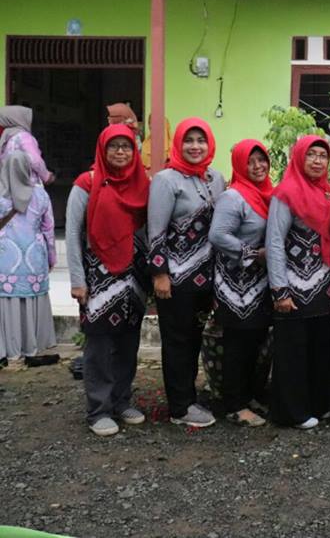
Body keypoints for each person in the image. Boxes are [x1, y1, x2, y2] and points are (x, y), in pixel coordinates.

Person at [66, 125, 150, 437]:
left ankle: (121, 401)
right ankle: (98, 409)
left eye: (126, 146)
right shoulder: (86, 183)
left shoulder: (142, 184)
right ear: (103, 149)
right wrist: (77, 280)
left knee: (128, 342)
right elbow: (72, 234)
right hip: (98, 276)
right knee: (99, 344)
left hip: (134, 278)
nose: (120, 152)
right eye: (114, 146)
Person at [148, 118, 224, 428]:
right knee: (177, 341)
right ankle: (179, 408)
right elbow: (155, 230)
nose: (195, 146)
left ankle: (188, 395)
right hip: (175, 279)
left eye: (201, 140)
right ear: (178, 144)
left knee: (194, 339)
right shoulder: (166, 180)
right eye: (188, 140)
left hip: (205, 279)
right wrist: (159, 274)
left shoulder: (215, 178)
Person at [266, 135, 330, 429]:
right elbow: (274, 242)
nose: (317, 161)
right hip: (293, 286)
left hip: (323, 286)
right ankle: (291, 413)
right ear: (298, 157)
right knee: (292, 351)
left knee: (320, 348)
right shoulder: (285, 193)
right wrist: (279, 290)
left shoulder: (328, 193)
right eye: (311, 154)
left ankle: (318, 405)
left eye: (322, 155)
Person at [209, 139, 274, 428]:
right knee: (238, 341)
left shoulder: (267, 193)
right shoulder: (233, 197)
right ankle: (234, 404)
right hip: (235, 283)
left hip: (258, 282)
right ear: (239, 165)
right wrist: (252, 253)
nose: (258, 166)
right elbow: (218, 235)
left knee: (255, 340)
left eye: (262, 160)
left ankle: (249, 396)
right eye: (250, 161)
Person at [0, 152, 57, 367]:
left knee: (7, 299)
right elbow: (49, 229)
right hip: (34, 257)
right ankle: (32, 345)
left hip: (6, 257)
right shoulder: (40, 195)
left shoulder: (1, 195)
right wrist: (51, 256)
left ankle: (8, 348)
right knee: (31, 298)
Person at [0, 105, 54, 185]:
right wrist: (47, 176)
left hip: (10, 185)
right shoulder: (24, 136)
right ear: (20, 119)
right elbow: (35, 160)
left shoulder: (6, 138)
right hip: (27, 186)